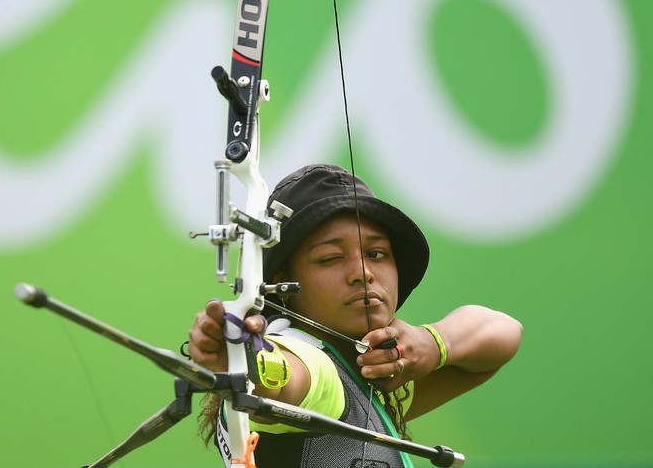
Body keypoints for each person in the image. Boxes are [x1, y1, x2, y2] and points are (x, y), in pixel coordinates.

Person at [187, 164, 522, 468]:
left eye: (376, 253)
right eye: (330, 258)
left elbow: (504, 333)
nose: (362, 272)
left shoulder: (372, 374)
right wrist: (243, 359)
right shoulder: (312, 363)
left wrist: (433, 344)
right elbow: (287, 377)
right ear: (281, 282)